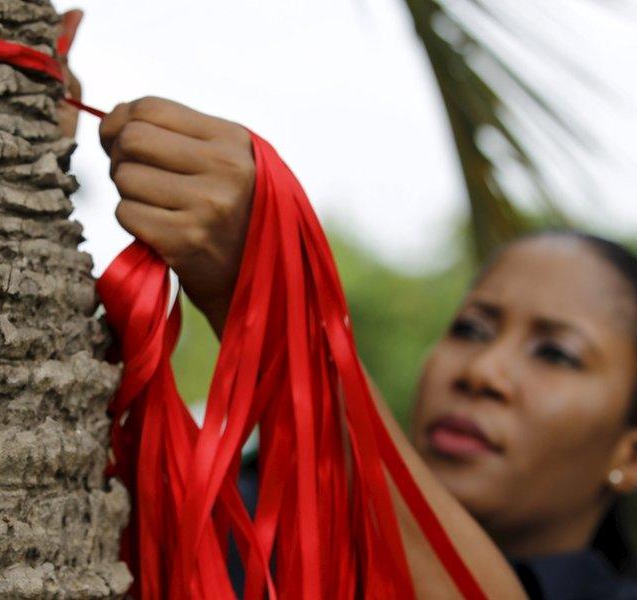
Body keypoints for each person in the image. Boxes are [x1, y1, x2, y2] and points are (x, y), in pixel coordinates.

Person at [57, 24, 637, 600]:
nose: (482, 373)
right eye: (471, 329)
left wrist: (270, 295)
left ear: (629, 453)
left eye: (556, 353)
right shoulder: (226, 506)